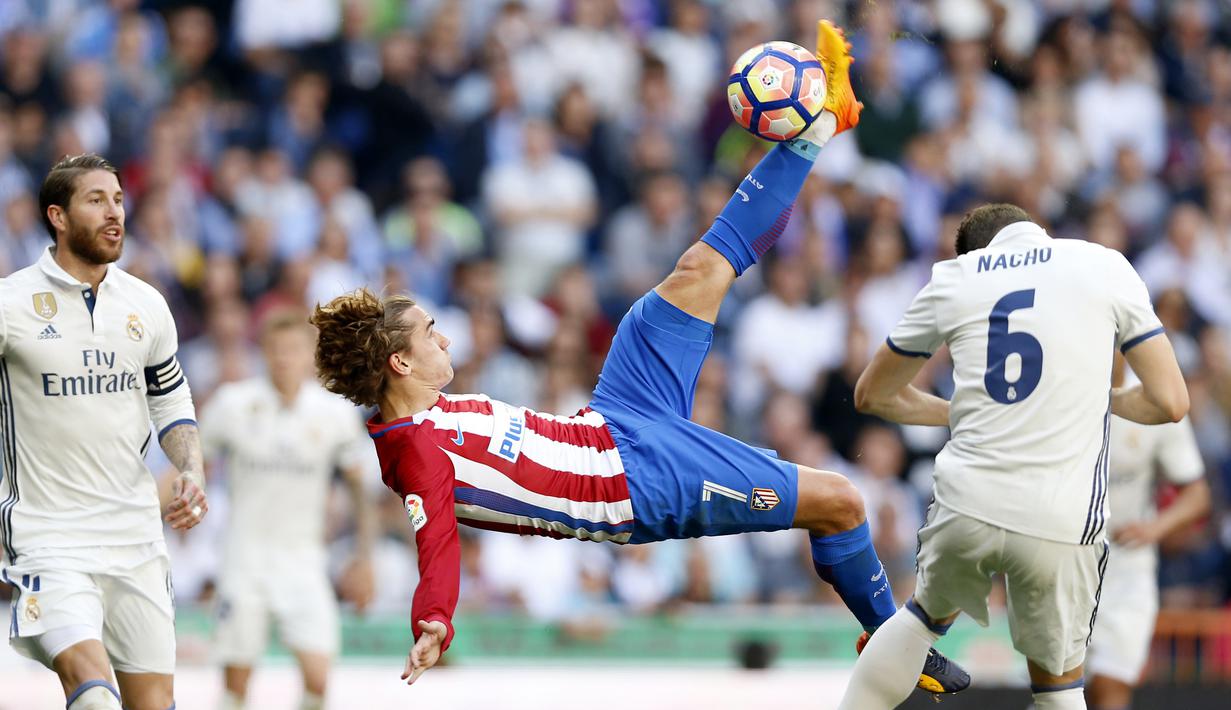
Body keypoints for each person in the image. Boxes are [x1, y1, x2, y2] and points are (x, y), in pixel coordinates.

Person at [310, 21, 969, 695]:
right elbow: (436, 541)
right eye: (430, 334)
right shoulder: (413, 451)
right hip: (636, 480)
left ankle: (823, 121)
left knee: (698, 270)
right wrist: (433, 619)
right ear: (399, 364)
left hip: (615, 415)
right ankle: (899, 650)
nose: (445, 338)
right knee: (840, 500)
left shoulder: (425, 416)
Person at [840, 203, 1191, 710]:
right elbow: (1171, 402)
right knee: (1059, 685)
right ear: (1036, 231)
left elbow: (871, 395)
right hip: (1063, 518)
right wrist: (1091, 398)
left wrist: (966, 411)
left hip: (970, 502)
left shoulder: (956, 277)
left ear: (974, 253)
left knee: (920, 621)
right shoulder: (1104, 263)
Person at [0, 153, 208, 710]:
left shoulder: (146, 304)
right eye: (96, 200)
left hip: (135, 537)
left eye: (118, 199)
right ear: (58, 216)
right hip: (48, 537)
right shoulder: (10, 305)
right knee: (93, 693)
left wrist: (191, 469)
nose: (115, 212)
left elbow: (170, 398)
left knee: (151, 704)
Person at [198, 309, 377, 710]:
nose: (284, 358)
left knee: (318, 678)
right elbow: (193, 464)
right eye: (276, 349)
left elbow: (359, 488)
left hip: (303, 561)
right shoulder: (233, 404)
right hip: (244, 560)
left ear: (310, 356)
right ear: (263, 352)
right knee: (236, 685)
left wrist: (365, 558)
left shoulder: (334, 414)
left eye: (293, 349)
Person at [1086, 355, 1210, 710]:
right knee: (1065, 687)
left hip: (1127, 568)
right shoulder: (1058, 395)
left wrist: (1155, 528)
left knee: (1111, 683)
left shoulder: (1153, 398)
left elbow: (1197, 494)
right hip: (1065, 559)